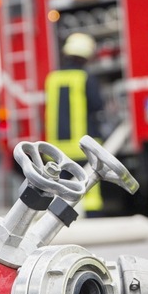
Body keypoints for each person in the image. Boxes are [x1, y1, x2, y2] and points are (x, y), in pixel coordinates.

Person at [44, 32, 105, 216]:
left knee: (60, 190)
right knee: (89, 189)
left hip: (57, 149)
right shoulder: (85, 78)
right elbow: (97, 105)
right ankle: (93, 219)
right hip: (83, 147)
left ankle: (57, 223)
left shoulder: (52, 79)